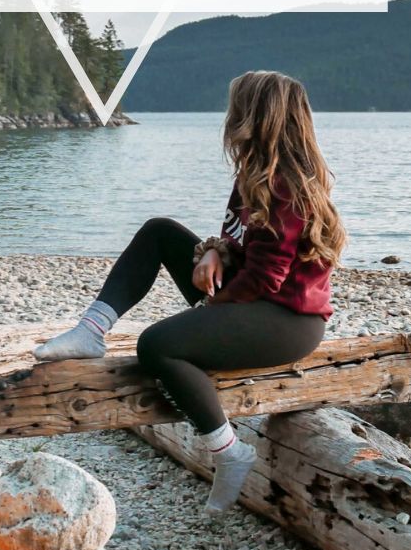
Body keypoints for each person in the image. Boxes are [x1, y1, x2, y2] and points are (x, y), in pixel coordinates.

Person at [35, 71, 346, 516]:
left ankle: (228, 452)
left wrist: (208, 307)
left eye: (236, 106)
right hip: (252, 300)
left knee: (156, 345)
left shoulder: (287, 188)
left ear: (256, 116)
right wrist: (214, 251)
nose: (229, 116)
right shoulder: (253, 175)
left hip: (287, 322)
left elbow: (266, 278)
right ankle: (91, 330)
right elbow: (243, 245)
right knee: (159, 231)